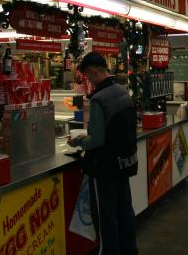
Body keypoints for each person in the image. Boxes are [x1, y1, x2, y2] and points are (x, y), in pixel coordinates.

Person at [68, 52, 138, 254]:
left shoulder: (99, 99)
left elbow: (97, 140)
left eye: (88, 77)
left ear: (94, 72)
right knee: (125, 211)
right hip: (125, 163)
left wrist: (79, 141)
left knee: (107, 218)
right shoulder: (123, 92)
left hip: (105, 168)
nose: (89, 81)